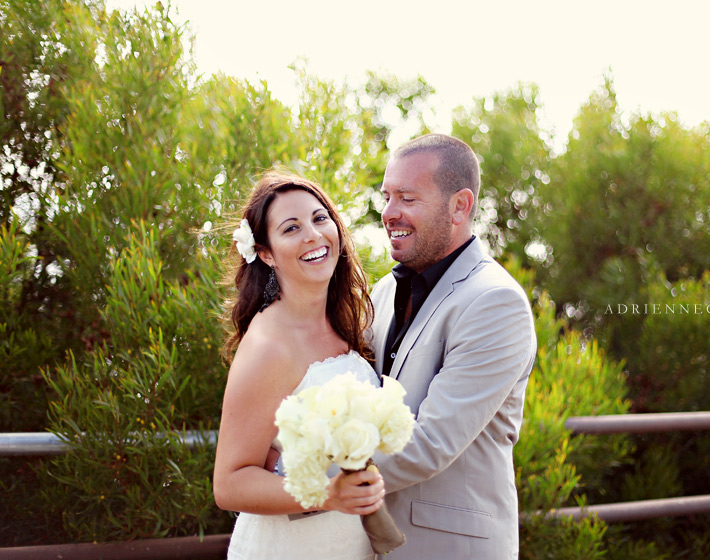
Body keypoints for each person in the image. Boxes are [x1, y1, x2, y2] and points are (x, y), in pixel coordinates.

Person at [369, 133, 537, 559]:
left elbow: (428, 445)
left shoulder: (495, 302)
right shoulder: (382, 292)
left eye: (407, 197)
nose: (389, 213)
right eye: (386, 196)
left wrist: (306, 470)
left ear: (460, 206)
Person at [213, 171, 386, 560]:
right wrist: (328, 493)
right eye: (291, 228)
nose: (312, 234)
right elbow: (229, 484)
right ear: (266, 253)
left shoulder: (347, 323)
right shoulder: (268, 345)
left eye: (319, 218)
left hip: (348, 545)